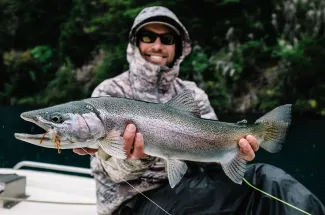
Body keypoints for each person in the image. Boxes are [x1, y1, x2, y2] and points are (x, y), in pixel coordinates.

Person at [73, 6, 325, 215]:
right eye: (148, 37)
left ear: (178, 47)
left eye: (167, 38)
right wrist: (136, 158)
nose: (157, 45)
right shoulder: (109, 93)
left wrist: (234, 152)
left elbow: (212, 153)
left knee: (269, 180)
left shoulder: (193, 94)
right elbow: (112, 173)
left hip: (189, 188)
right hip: (132, 203)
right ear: (135, 43)